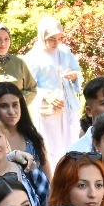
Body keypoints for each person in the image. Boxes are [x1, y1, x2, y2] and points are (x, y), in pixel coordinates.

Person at [24, 17, 81, 152]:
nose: (56, 43)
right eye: (51, 39)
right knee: (52, 147)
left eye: (59, 38)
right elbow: (29, 84)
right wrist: (45, 95)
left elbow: (77, 71)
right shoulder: (33, 56)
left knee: (72, 144)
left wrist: (73, 77)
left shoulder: (65, 52)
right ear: (42, 37)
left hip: (69, 106)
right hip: (49, 108)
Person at [0, 81, 52, 179]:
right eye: (4, 106)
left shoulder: (33, 138)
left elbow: (49, 180)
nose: (11, 112)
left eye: (15, 105)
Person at [0, 22, 38, 104]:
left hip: (17, 113)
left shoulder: (18, 63)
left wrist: (19, 100)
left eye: (6, 39)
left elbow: (32, 88)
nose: (3, 43)